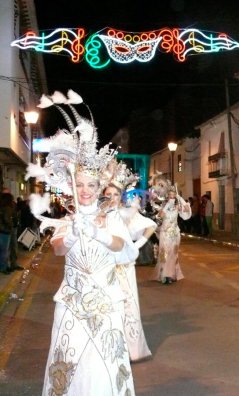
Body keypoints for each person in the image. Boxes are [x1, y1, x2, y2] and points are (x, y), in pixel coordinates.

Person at [31, 91, 138, 395]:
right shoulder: (67, 221)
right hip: (72, 305)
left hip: (105, 305)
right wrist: (76, 232)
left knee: (104, 363)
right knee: (71, 361)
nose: (86, 190)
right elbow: (58, 248)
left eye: (91, 185)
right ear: (71, 185)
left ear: (99, 186)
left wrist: (99, 234)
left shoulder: (111, 217)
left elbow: (122, 247)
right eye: (80, 184)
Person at [104, 166, 155, 362]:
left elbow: (150, 226)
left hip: (124, 270)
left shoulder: (127, 214)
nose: (112, 197)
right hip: (104, 270)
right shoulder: (98, 215)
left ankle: (130, 350)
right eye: (108, 193)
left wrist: (137, 245)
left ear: (121, 196)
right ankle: (110, 349)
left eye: (116, 193)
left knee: (127, 308)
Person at [155, 188, 192, 284]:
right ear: (167, 196)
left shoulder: (177, 206)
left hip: (175, 233)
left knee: (173, 254)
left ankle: (172, 274)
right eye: (170, 195)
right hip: (165, 233)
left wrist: (180, 198)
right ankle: (164, 275)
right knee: (165, 253)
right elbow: (160, 216)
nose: (172, 197)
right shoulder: (163, 205)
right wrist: (167, 205)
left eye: (173, 195)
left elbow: (187, 210)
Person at [0, 193, 13, 275]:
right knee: (5, 251)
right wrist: (11, 224)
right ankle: (3, 267)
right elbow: (7, 220)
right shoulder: (8, 208)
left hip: (1, 230)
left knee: (2, 250)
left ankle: (4, 266)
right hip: (5, 231)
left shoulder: (1, 207)